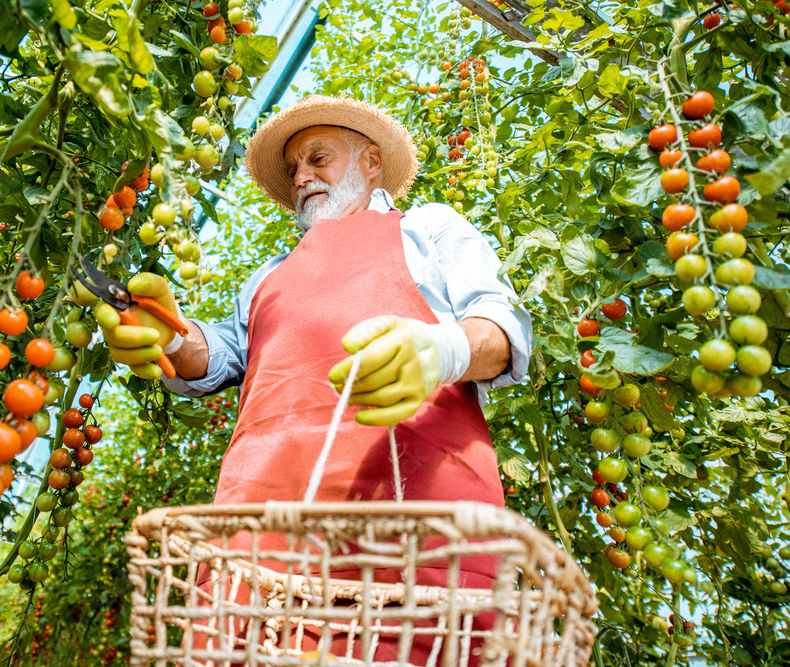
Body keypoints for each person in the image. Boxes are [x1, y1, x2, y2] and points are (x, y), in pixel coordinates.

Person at [106, 95, 533, 662]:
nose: (302, 177)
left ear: (372, 161)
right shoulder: (266, 277)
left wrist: (444, 349)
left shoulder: (427, 229)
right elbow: (218, 357)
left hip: (414, 516)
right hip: (262, 529)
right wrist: (173, 336)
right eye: (294, 170)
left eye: (318, 158)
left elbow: (503, 331)